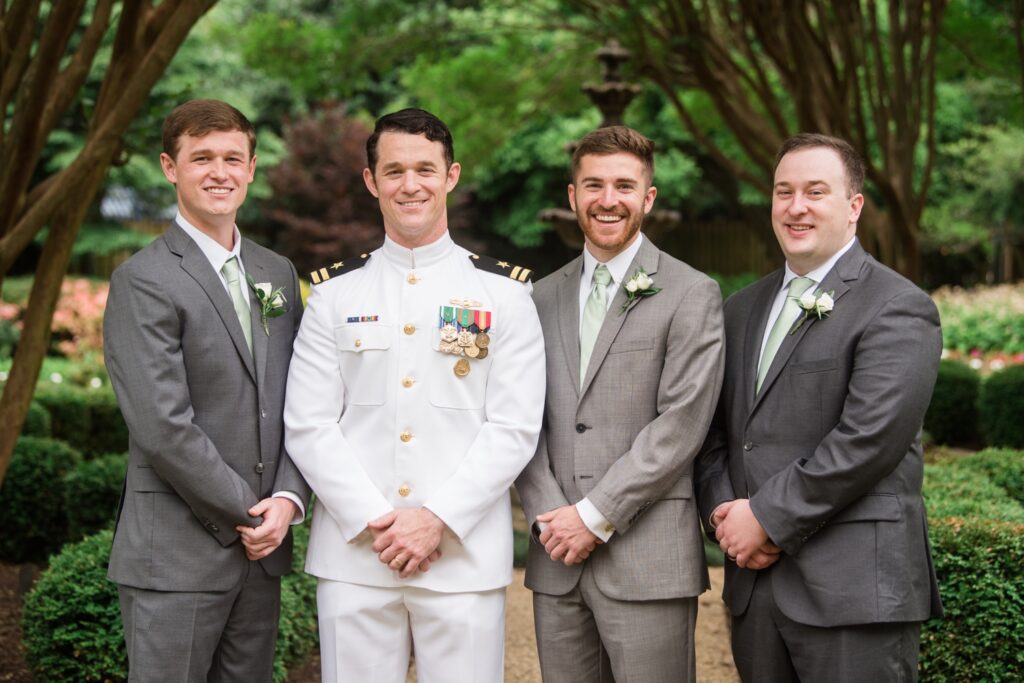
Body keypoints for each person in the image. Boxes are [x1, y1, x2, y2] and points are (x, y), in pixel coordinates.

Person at [284, 108, 545, 682]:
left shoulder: (503, 296)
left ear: (450, 176)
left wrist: (436, 520)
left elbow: (514, 426)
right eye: (394, 170)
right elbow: (308, 423)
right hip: (356, 557)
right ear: (371, 181)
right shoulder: (333, 295)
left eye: (425, 169)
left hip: (462, 559)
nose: (411, 185)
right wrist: (380, 523)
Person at [696, 133, 943, 682]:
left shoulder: (898, 306)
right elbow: (713, 434)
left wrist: (764, 517)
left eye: (815, 191)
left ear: (854, 206)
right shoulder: (740, 309)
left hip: (853, 590)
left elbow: (869, 439)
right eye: (784, 192)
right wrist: (722, 514)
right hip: (755, 589)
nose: (796, 207)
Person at [103, 99, 310, 682]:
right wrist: (248, 513)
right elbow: (161, 426)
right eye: (201, 158)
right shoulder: (143, 279)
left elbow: (305, 399)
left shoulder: (277, 273)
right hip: (176, 556)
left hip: (262, 551)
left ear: (251, 168)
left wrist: (289, 501)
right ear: (171, 167)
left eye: (231, 158)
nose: (219, 172)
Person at [514, 125, 725, 682]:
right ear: (572, 196)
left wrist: (594, 515)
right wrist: (549, 518)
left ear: (648, 198)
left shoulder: (691, 292)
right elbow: (518, 418)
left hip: (647, 558)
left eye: (625, 186)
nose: (608, 200)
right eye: (594, 185)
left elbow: (682, 424)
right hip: (554, 556)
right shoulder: (537, 297)